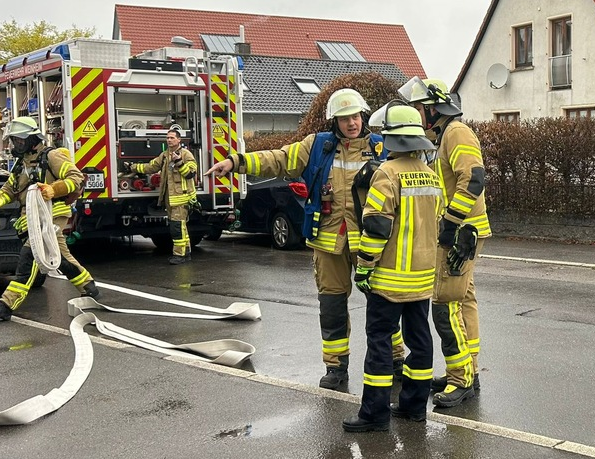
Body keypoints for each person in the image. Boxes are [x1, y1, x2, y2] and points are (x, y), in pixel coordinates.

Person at [204, 88, 404, 389]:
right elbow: (280, 159)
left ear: (363, 116)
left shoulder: (381, 148)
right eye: (344, 118)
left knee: (383, 304)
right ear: (334, 122)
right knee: (332, 306)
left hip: (370, 244)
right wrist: (237, 162)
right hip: (329, 243)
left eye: (356, 116)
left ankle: (396, 360)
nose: (352, 123)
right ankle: (336, 367)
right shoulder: (318, 147)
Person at [342, 102, 440, 432]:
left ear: (391, 138)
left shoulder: (386, 174)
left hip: (388, 281)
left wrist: (365, 267)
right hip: (422, 279)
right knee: (421, 340)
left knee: (381, 344)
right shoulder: (431, 175)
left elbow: (376, 229)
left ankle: (375, 413)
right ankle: (414, 407)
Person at [399, 78, 491, 408]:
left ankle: (460, 380)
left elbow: (474, 179)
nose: (415, 114)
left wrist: (451, 225)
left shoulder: (456, 133)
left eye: (418, 108)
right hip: (463, 232)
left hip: (460, 235)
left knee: (444, 305)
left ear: (433, 108)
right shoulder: (443, 136)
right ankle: (469, 371)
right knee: (463, 301)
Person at [0, 116, 100, 321]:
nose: (14, 144)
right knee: (59, 257)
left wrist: (54, 189)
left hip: (53, 214)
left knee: (32, 253)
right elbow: (9, 190)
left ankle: (7, 303)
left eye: (18, 140)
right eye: (13, 140)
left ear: (32, 139)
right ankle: (88, 287)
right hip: (32, 218)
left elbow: (76, 177)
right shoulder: (21, 164)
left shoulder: (52, 156)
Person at [122, 125, 197, 264]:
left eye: (172, 138)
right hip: (170, 198)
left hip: (181, 198)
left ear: (179, 140)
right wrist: (133, 167)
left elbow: (190, 174)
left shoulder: (186, 155)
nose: (169, 140)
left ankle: (179, 256)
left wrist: (179, 163)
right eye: (167, 138)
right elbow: (151, 167)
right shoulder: (165, 155)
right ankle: (186, 252)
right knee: (181, 227)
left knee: (176, 227)